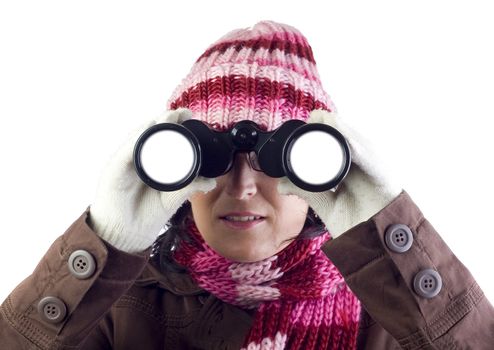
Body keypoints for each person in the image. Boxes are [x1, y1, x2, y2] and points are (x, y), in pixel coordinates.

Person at [1, 20, 493, 350]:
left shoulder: (390, 312)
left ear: (320, 170)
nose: (240, 186)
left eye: (273, 162)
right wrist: (101, 244)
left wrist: (389, 233)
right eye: (212, 157)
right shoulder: (117, 306)